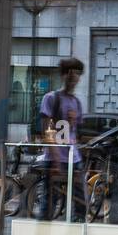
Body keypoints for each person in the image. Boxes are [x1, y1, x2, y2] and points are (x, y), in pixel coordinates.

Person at [37, 57, 88, 221]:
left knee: (81, 204)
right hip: (55, 159)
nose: (74, 77)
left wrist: (72, 123)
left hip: (74, 160)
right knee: (49, 205)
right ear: (63, 75)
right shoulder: (51, 98)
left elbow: (75, 134)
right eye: (70, 73)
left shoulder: (76, 102)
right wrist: (56, 160)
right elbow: (47, 130)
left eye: (78, 73)